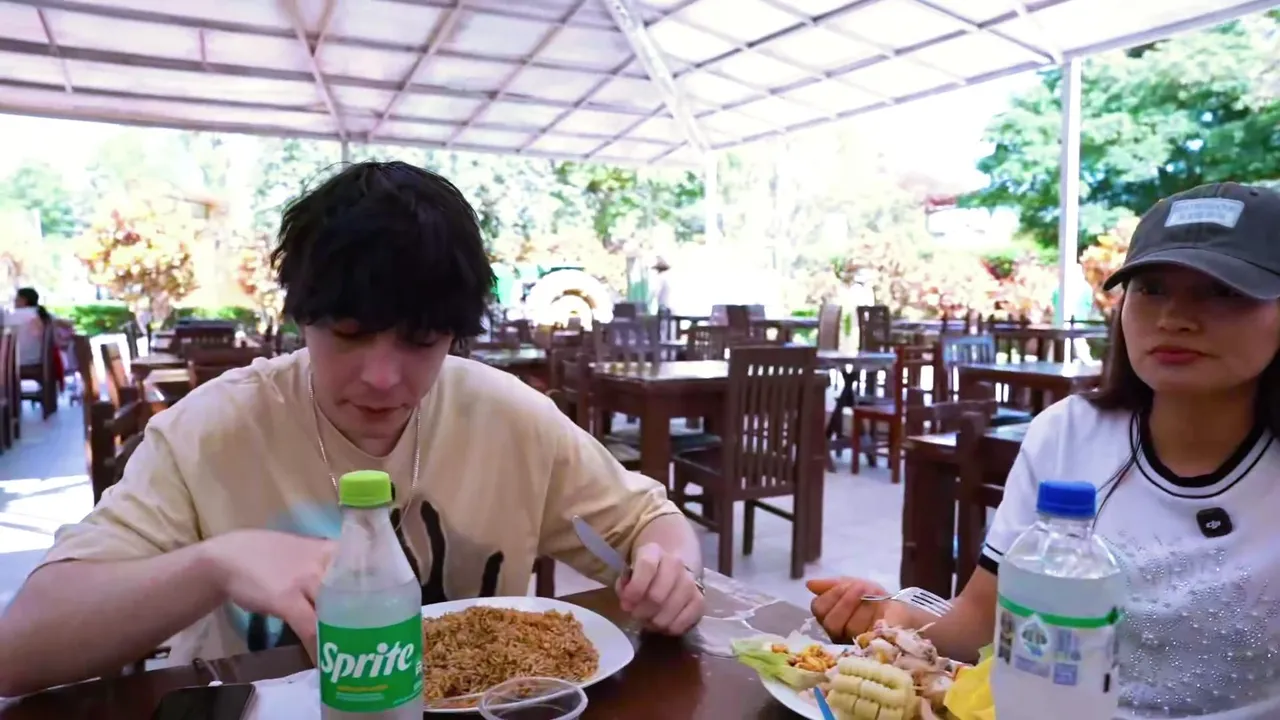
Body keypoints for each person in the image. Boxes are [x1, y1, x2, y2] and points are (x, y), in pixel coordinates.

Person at [0, 162, 705, 696]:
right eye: (347, 333)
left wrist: (669, 571)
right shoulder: (208, 432)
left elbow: (652, 521)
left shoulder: (510, 417)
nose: (383, 378)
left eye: (421, 341)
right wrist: (217, 564)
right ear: (300, 318)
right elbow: (19, 650)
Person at [808, 182, 1280, 719]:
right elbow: (980, 623)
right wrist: (894, 621)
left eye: (1222, 291)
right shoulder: (1066, 435)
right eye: (1150, 288)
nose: (1174, 317)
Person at [5, 287, 50, 367]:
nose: (14, 301)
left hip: (20, 362)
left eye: (16, 299)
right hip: (39, 360)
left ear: (23, 300)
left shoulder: (15, 315)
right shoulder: (44, 314)